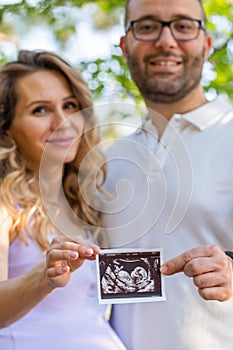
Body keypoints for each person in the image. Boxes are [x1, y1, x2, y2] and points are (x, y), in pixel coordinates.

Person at [103, 0, 233, 349]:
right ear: (125, 46)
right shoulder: (110, 160)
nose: (166, 40)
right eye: (146, 26)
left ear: (206, 45)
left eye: (183, 25)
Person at [0, 50, 126, 350]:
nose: (63, 122)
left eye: (70, 106)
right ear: (6, 128)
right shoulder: (5, 203)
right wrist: (44, 277)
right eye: (40, 110)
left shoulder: (84, 203)